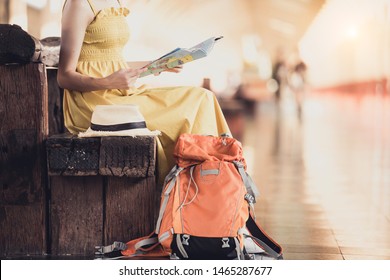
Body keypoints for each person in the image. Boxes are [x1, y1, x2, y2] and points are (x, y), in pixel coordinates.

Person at [57, 0, 230, 184]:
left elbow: (111, 62)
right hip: (95, 104)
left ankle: (219, 178)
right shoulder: (78, 4)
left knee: (203, 97)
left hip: (121, 93)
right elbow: (64, 76)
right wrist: (106, 82)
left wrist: (155, 65)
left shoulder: (114, 1)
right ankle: (194, 185)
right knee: (192, 105)